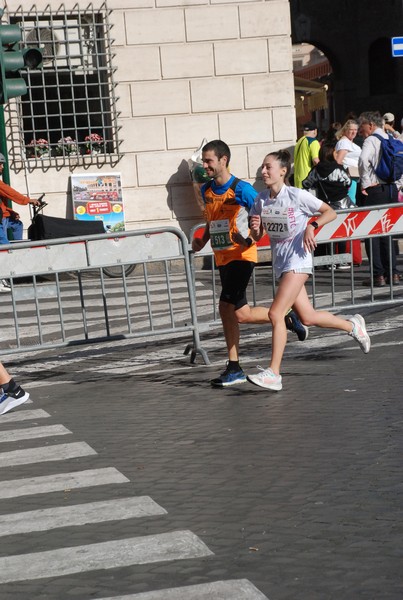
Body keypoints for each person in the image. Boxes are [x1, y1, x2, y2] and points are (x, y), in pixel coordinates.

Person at [246, 149, 370, 391]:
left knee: (275, 313)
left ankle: (274, 373)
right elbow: (258, 235)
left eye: (268, 167)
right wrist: (255, 227)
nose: (263, 171)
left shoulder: (297, 196)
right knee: (308, 318)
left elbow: (329, 212)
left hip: (299, 260)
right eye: (262, 167)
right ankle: (352, 326)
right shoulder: (261, 199)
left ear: (283, 171)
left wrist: (311, 226)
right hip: (281, 264)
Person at [191, 140, 308, 388]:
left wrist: (250, 237)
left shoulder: (242, 189)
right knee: (241, 314)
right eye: (204, 160)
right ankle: (285, 316)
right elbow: (213, 222)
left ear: (223, 161)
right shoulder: (207, 190)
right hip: (222, 257)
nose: (205, 166)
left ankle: (234, 368)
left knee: (225, 307)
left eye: (209, 161)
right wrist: (203, 239)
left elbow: (263, 214)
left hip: (242, 256)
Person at [358, 111, 402, 286]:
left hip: (375, 190)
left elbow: (362, 160)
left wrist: (365, 183)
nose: (361, 130)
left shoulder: (371, 140)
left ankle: (378, 275)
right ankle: (393, 273)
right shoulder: (391, 138)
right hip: (391, 189)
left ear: (370, 124)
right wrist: (398, 185)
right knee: (388, 232)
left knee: (372, 232)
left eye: (362, 126)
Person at [302, 143, 352, 268]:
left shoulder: (316, 170)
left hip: (323, 206)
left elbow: (306, 183)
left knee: (324, 232)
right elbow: (348, 182)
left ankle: (325, 262)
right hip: (341, 204)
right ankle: (341, 261)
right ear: (330, 154)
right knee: (341, 232)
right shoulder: (339, 169)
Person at [0, 153, 40, 293]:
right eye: (1, 164)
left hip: (3, 216)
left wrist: (10, 212)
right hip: (0, 219)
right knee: (4, 247)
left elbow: (2, 202)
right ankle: (3, 276)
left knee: (17, 225)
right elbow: (11, 193)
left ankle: (17, 253)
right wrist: (28, 200)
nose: (2, 166)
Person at [293, 121, 320, 188]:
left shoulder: (299, 141)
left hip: (297, 181)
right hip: (308, 181)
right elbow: (316, 161)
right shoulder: (313, 142)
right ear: (315, 131)